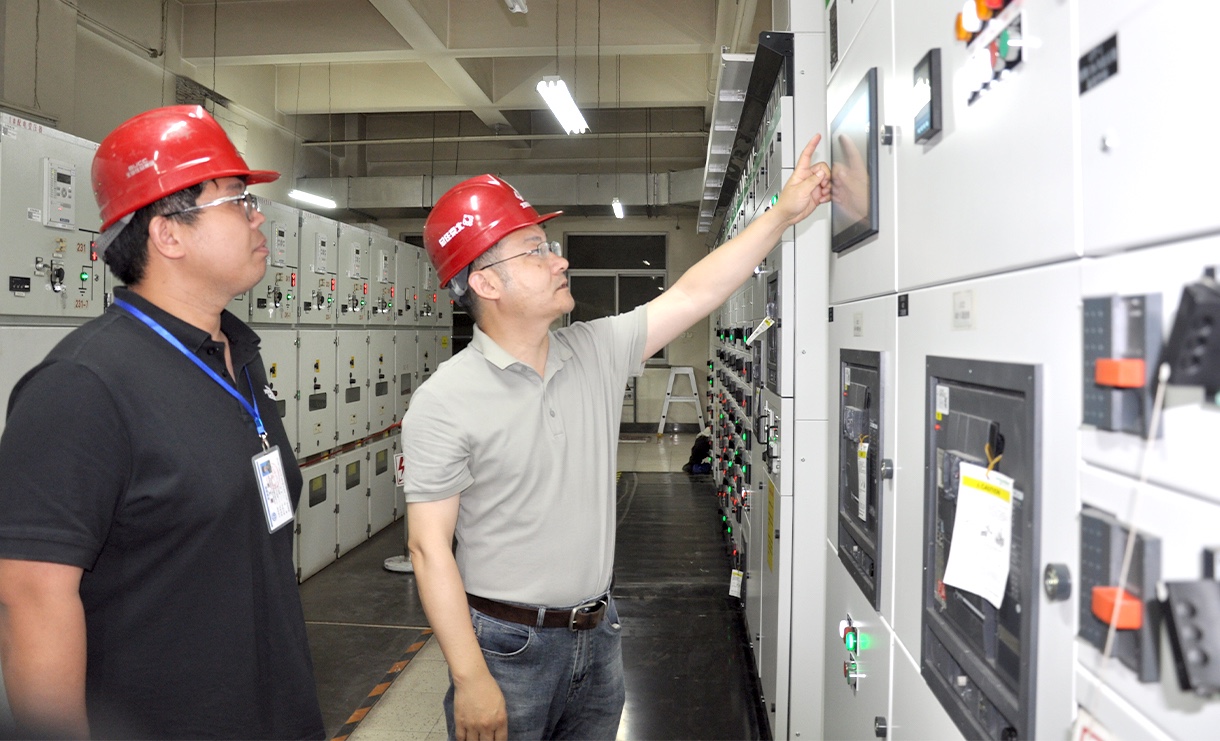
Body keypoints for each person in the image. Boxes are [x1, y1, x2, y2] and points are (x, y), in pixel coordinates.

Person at [402, 134, 831, 741]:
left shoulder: (594, 350)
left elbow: (696, 293)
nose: (559, 261)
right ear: (486, 284)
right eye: (534, 251)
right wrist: (470, 677)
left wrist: (782, 214)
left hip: (599, 635)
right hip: (507, 649)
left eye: (549, 247)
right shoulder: (443, 400)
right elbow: (428, 549)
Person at [0, 105, 325, 740]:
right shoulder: (83, 385)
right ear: (168, 235)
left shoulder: (238, 357)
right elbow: (30, 599)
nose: (258, 216)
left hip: (273, 714)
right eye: (237, 201)